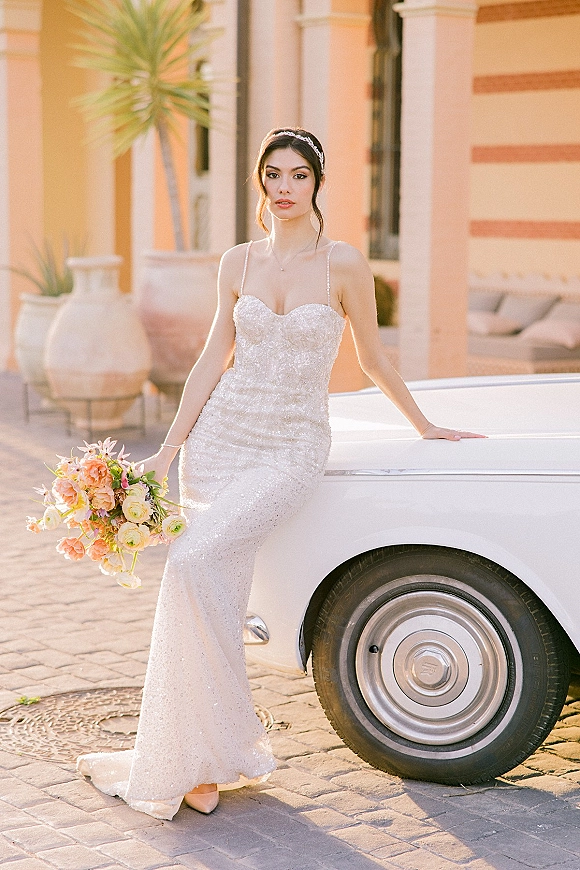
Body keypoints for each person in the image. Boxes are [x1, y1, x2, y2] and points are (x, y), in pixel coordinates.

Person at [76, 127, 483, 820]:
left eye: (298, 175)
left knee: (191, 564)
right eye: (273, 175)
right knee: (209, 588)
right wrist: (169, 450)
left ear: (318, 182)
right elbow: (212, 358)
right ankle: (197, 765)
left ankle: (215, 750)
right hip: (222, 439)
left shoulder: (346, 264)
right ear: (261, 184)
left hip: (291, 445)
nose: (285, 187)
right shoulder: (236, 262)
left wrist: (425, 426)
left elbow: (376, 360)